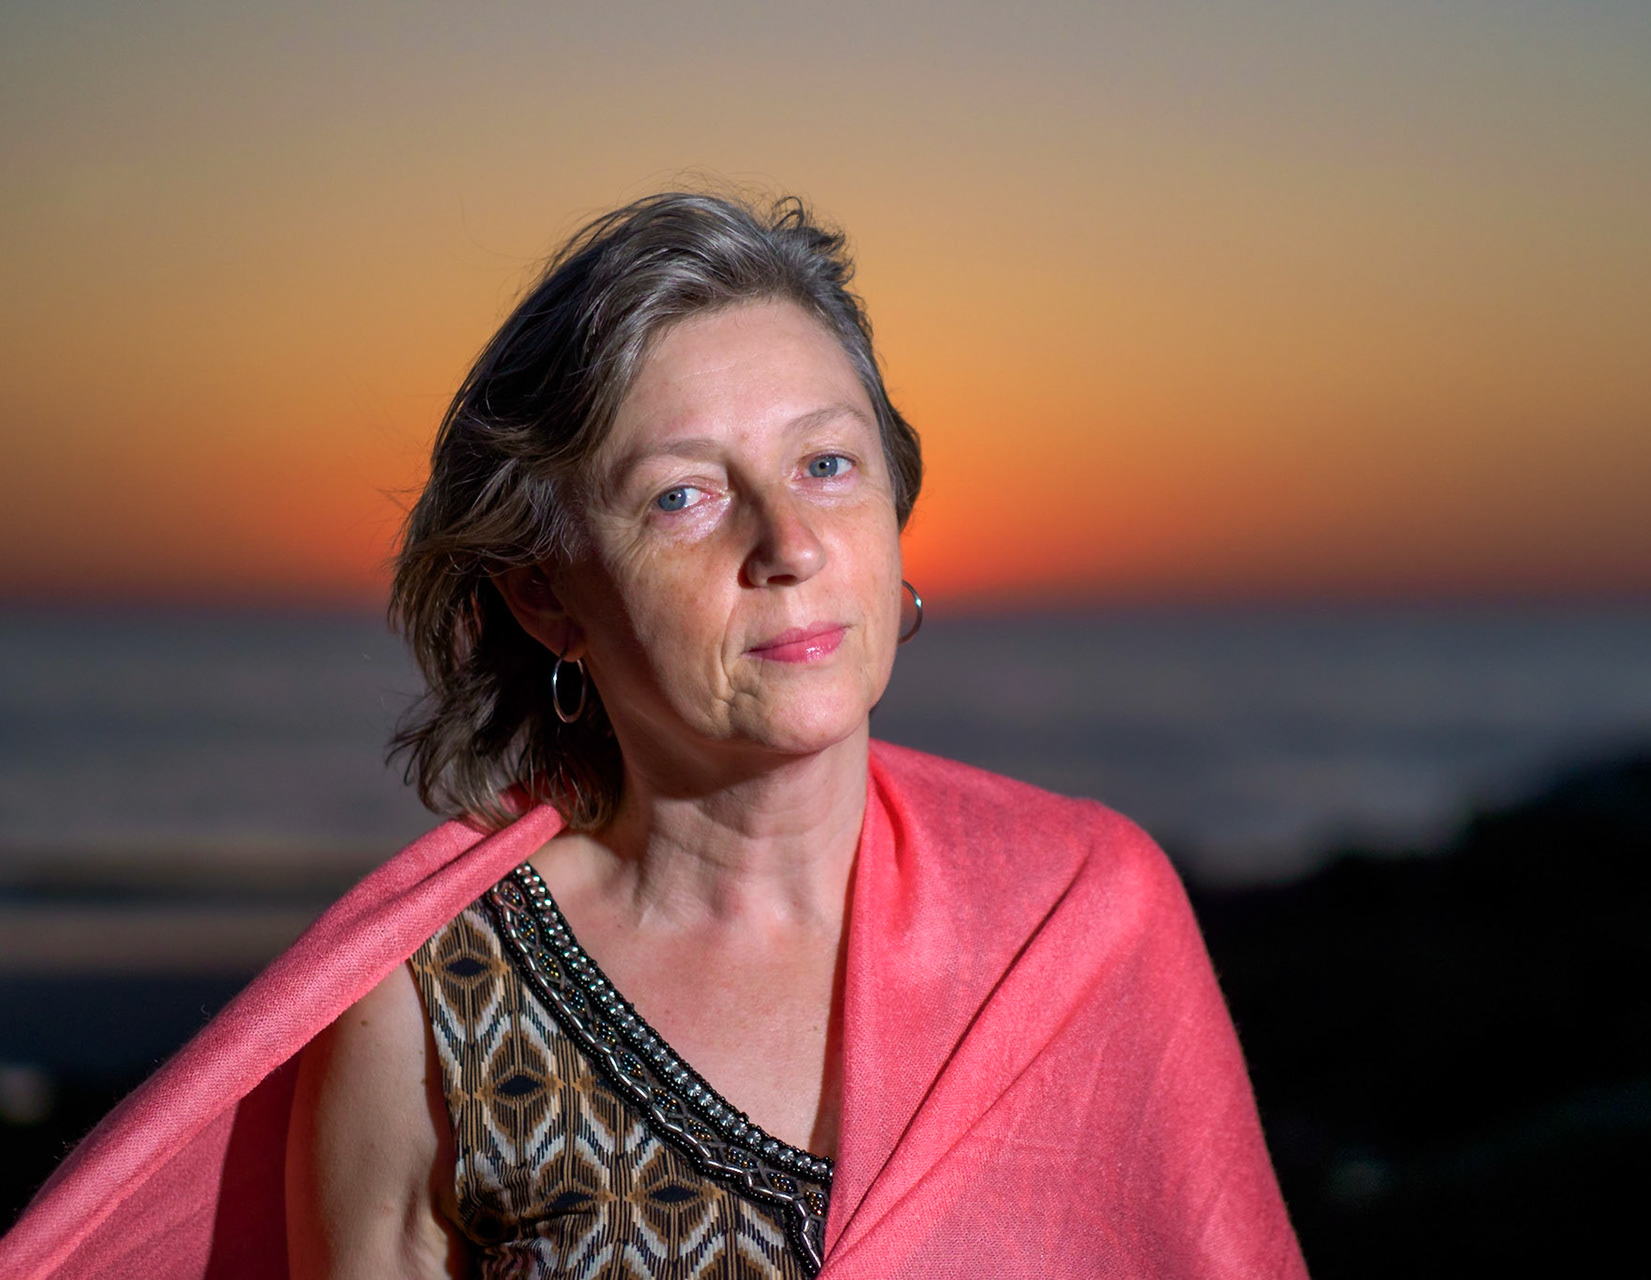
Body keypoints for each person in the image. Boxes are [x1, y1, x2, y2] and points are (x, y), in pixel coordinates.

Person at [0, 192, 1305, 1279]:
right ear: (546, 593)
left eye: (827, 465)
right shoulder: (435, 1015)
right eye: (683, 496)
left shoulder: (1078, 919)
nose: (788, 547)